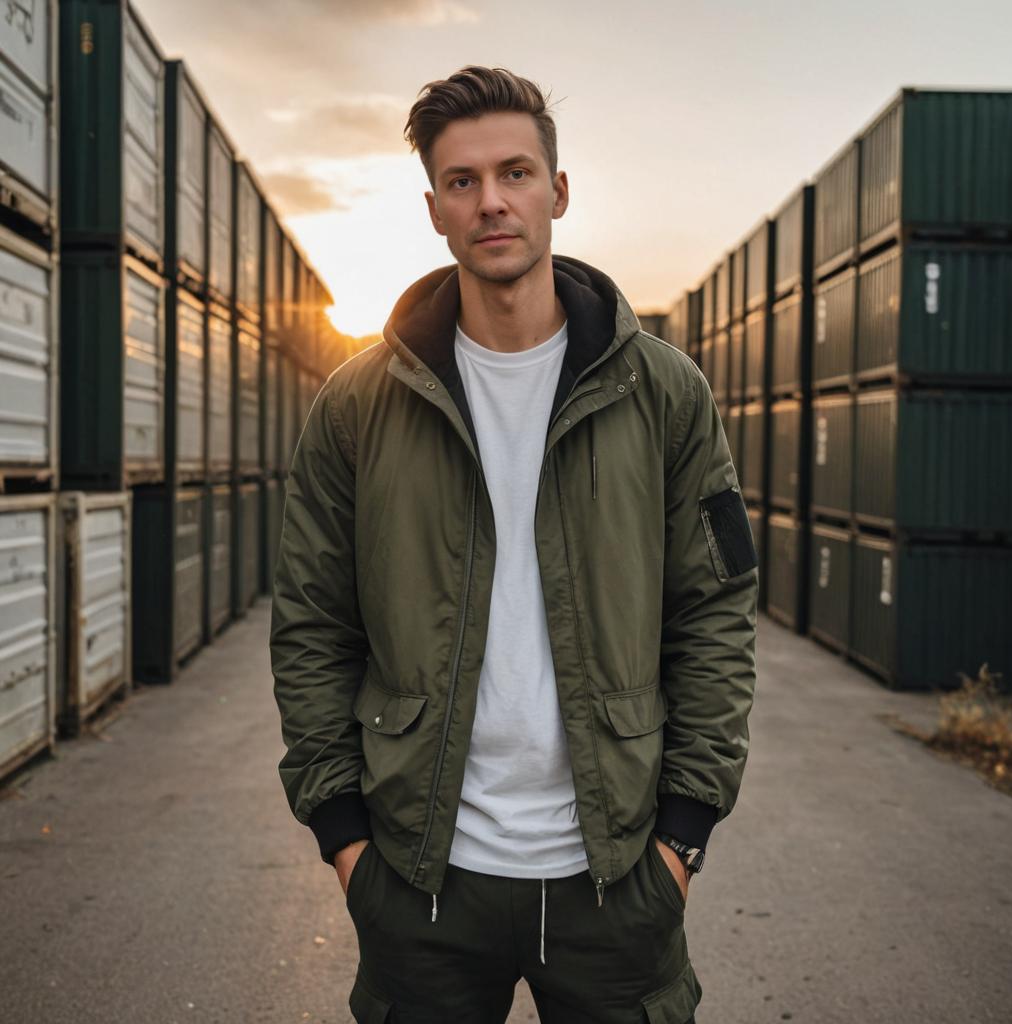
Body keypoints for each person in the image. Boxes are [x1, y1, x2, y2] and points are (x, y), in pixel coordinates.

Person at [271, 65, 758, 1024]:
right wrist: (346, 846)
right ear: (433, 209)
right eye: (462, 182)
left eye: (515, 173)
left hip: (616, 879)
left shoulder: (663, 395)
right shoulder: (358, 408)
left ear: (558, 192)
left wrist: (682, 841)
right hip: (419, 879)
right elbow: (312, 627)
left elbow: (714, 613)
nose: (491, 200)